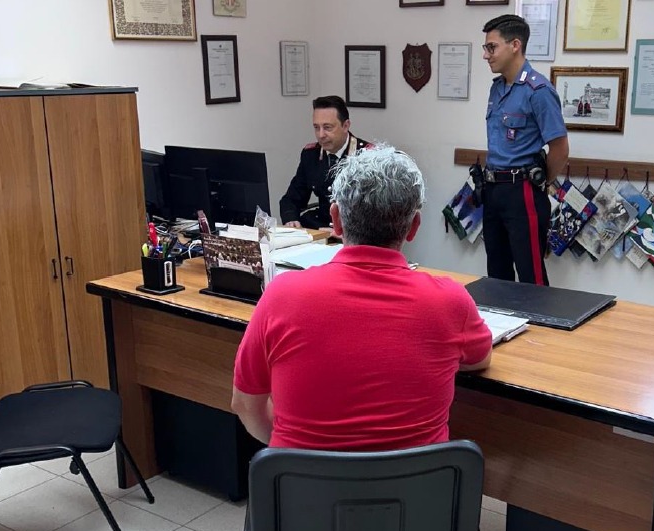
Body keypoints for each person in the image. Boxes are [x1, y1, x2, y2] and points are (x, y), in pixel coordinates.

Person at [232, 145, 492, 451]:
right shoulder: (451, 302)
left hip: (299, 482)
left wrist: (287, 457)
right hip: (417, 484)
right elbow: (480, 359)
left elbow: (245, 405)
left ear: (336, 220)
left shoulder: (281, 295)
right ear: (414, 227)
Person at [481, 14, 569, 285]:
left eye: (492, 47)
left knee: (531, 277)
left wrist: (540, 183)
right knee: (497, 276)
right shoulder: (497, 88)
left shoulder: (538, 90)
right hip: (492, 188)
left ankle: (540, 316)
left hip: (522, 191)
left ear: (515, 45)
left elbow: (560, 148)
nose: (486, 55)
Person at [279, 95, 371, 230]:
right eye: (316, 127)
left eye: (327, 127)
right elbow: (292, 198)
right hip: (320, 227)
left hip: (355, 232)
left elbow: (377, 213)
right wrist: (291, 219)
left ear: (345, 126)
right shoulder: (311, 155)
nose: (321, 135)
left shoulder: (367, 157)